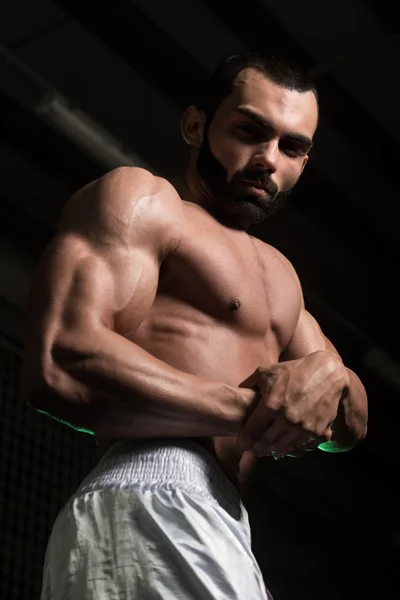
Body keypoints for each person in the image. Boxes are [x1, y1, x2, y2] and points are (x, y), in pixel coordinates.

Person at [22, 52, 368, 599]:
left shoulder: (279, 274)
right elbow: (62, 357)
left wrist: (329, 373)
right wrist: (249, 411)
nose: (268, 159)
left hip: (220, 514)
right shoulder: (143, 200)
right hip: (154, 488)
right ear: (195, 125)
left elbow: (349, 425)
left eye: (292, 147)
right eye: (250, 131)